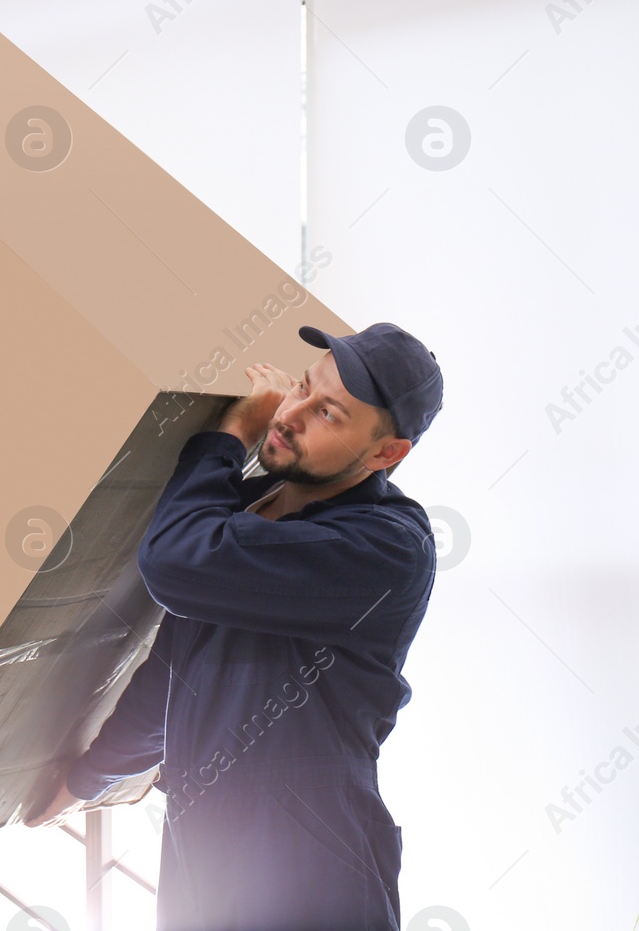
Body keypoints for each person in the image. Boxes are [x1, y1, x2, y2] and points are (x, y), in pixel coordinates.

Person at [27, 322, 445, 931]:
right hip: (205, 869)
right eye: (303, 386)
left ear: (387, 453)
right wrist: (81, 784)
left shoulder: (385, 548)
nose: (291, 412)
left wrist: (233, 433)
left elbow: (171, 562)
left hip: (311, 882)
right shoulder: (255, 506)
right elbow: (174, 674)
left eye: (328, 412)